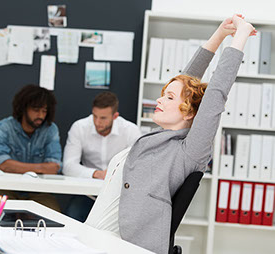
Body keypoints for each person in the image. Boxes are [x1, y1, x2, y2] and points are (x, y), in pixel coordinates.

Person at [85, 14, 256, 254]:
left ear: (189, 113)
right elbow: (187, 79)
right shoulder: (159, 138)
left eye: (169, 97)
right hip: (91, 239)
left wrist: (240, 36)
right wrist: (219, 35)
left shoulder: (188, 152)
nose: (159, 99)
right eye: (164, 93)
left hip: (122, 247)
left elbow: (216, 92)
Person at [62, 91, 141, 221]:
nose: (97, 122)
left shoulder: (130, 130)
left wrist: (113, 175)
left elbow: (138, 166)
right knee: (72, 215)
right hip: (87, 194)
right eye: (95, 116)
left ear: (115, 116)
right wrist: (98, 174)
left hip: (118, 196)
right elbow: (68, 166)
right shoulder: (80, 127)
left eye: (103, 118)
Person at [0, 84, 62, 211]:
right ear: (23, 108)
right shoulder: (3, 128)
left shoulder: (50, 129)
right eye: (36, 110)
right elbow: (3, 164)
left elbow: (54, 167)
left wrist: (14, 167)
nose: (41, 115)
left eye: (44, 111)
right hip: (6, 189)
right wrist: (40, 168)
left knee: (53, 212)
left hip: (38, 193)